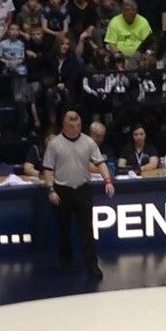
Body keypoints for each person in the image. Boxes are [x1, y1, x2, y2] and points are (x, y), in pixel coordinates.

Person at [42, 110, 115, 278]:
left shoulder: (88, 142)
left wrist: (108, 181)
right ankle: (65, 259)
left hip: (82, 188)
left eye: (78, 125)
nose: (75, 128)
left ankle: (92, 265)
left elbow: (100, 163)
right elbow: (47, 169)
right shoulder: (55, 144)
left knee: (87, 230)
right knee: (63, 228)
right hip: (62, 190)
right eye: (71, 125)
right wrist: (50, 189)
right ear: (64, 126)